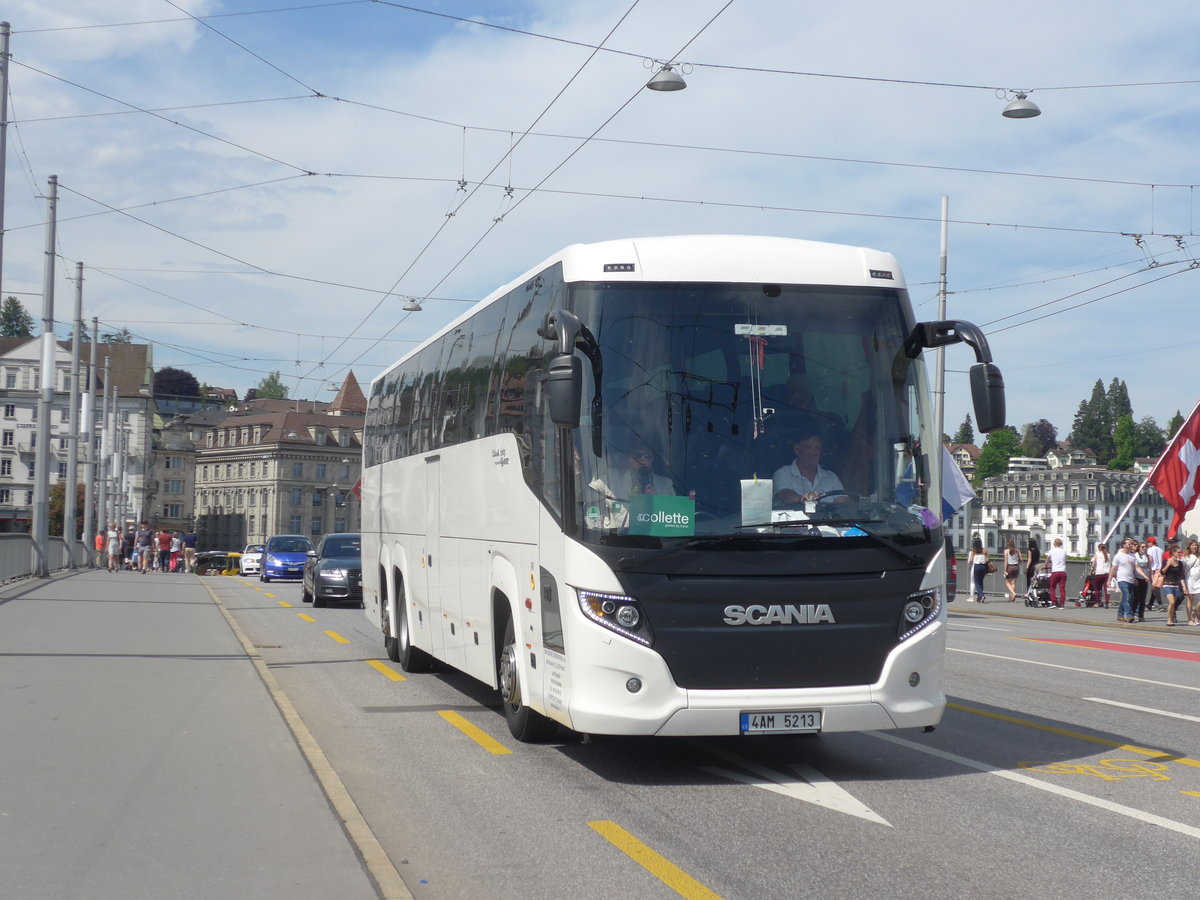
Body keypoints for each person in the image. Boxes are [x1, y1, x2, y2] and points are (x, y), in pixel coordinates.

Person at [587, 437, 676, 529]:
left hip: (656, 540)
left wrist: (657, 502)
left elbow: (675, 518)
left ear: (652, 459)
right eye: (638, 455)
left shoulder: (666, 485)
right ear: (629, 458)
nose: (642, 458)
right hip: (619, 539)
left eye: (647, 455)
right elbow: (586, 496)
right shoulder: (612, 477)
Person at [772, 421, 845, 505]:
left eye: (817, 448)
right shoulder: (783, 474)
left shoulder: (831, 477)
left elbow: (843, 501)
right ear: (797, 450)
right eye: (808, 448)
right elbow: (785, 494)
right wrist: (804, 500)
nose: (813, 453)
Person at [1111, 538, 1147, 622]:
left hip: (1131, 579)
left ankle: (1120, 615)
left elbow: (1136, 568)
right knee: (1127, 596)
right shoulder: (1118, 555)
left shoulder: (1132, 556)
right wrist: (1109, 579)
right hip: (1121, 579)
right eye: (1129, 544)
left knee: (1128, 598)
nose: (1131, 545)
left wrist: (1144, 576)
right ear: (1124, 545)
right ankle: (1129, 615)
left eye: (1132, 544)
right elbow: (1113, 568)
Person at [1160, 544, 1185, 626]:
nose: (1180, 554)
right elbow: (1162, 572)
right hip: (1167, 584)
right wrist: (1168, 564)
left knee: (1173, 603)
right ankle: (1169, 619)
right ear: (1173, 552)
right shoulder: (1166, 561)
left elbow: (1181, 576)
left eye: (1180, 553)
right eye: (1178, 552)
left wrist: (1184, 587)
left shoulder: (1180, 563)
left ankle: (1171, 620)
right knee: (1171, 602)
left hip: (1176, 585)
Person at [1182, 540, 1200, 626]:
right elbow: (1183, 569)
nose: (1194, 547)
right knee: (1190, 599)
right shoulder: (1186, 556)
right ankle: (1189, 619)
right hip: (1190, 579)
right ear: (1189, 546)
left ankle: (1195, 614)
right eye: (1192, 545)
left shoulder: (1199, 556)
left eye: (1195, 545)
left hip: (1199, 579)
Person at [1088, 542, 1111, 609]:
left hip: (1099, 573)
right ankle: (1107, 603)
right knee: (1107, 589)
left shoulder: (1097, 555)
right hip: (1107, 573)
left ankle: (1097, 603)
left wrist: (1092, 568)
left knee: (1097, 588)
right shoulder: (1109, 555)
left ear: (1099, 549)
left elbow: (1093, 564)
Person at [1047, 537, 1068, 608]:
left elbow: (1047, 560)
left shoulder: (1051, 551)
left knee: (1052, 587)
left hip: (1055, 571)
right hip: (1062, 571)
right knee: (1062, 588)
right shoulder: (1064, 551)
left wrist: (1046, 566)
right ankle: (1062, 604)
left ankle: (1054, 603)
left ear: (1054, 544)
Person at [967, 537, 988, 603]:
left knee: (977, 582)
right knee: (981, 581)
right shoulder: (985, 550)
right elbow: (987, 559)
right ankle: (979, 597)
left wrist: (969, 566)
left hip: (977, 566)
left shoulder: (973, 551)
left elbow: (971, 560)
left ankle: (981, 595)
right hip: (984, 566)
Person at [1145, 536, 1164, 611]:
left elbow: (1150, 559)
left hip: (1153, 569)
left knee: (1155, 587)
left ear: (1151, 542)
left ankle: (1160, 604)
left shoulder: (1150, 550)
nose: (1148, 544)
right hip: (1160, 569)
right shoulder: (1160, 550)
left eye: (1148, 542)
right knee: (1156, 586)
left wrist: (1148, 567)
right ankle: (1150, 604)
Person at [1132, 541, 1150, 615]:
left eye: (1145, 547)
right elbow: (1135, 567)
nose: (1144, 548)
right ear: (1139, 548)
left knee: (1143, 598)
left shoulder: (1147, 556)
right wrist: (1134, 578)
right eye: (1142, 547)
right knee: (1137, 597)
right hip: (1137, 577)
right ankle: (1133, 612)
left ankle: (1141, 615)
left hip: (1144, 579)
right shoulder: (1135, 556)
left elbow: (1149, 567)